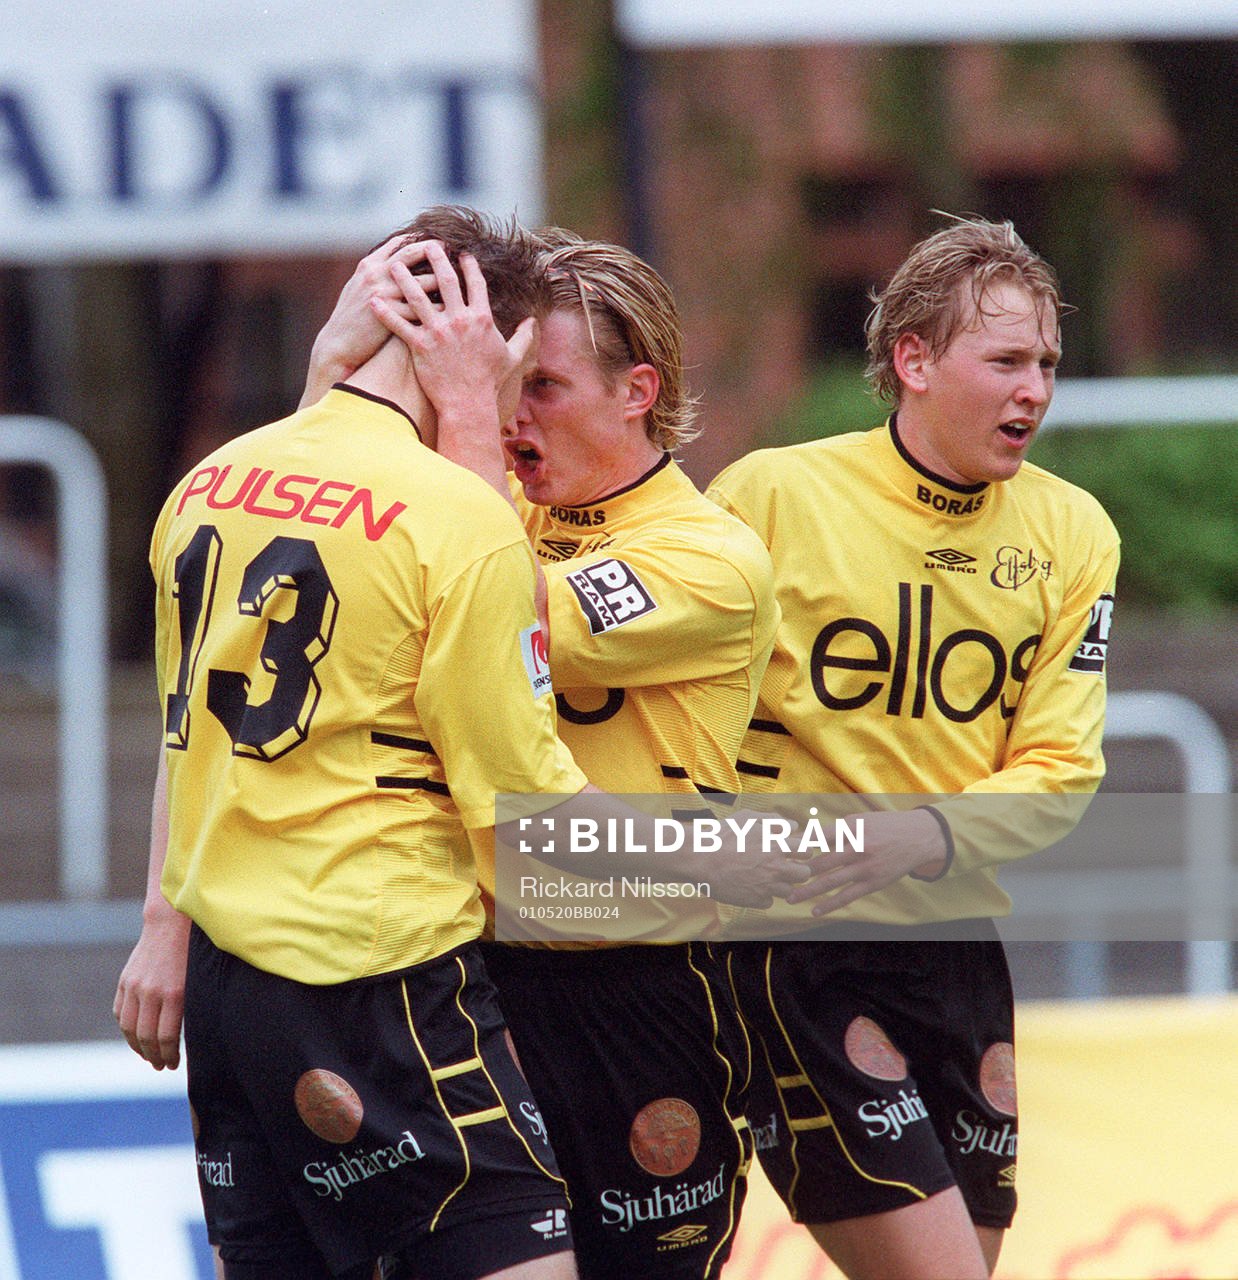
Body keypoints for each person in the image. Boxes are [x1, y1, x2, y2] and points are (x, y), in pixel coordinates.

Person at [113, 205, 589, 1280]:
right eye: (525, 379)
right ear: (485, 347)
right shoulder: (460, 518)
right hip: (378, 977)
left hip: (231, 989)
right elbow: (525, 811)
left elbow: (196, 741)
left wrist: (163, 921)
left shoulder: (208, 482)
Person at [349, 229, 785, 1280]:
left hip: (630, 976)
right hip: (471, 972)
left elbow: (497, 603)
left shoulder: (706, 554)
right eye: (504, 382)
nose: (512, 411)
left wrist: (458, 410)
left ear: (637, 391)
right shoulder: (496, 511)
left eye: (537, 383)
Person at [706, 216, 1120, 1279]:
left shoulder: (1073, 533)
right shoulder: (772, 495)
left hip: (952, 937)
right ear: (913, 362)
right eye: (1006, 360)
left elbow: (1059, 768)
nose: (1033, 389)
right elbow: (674, 708)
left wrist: (924, 833)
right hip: (790, 940)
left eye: (1046, 364)